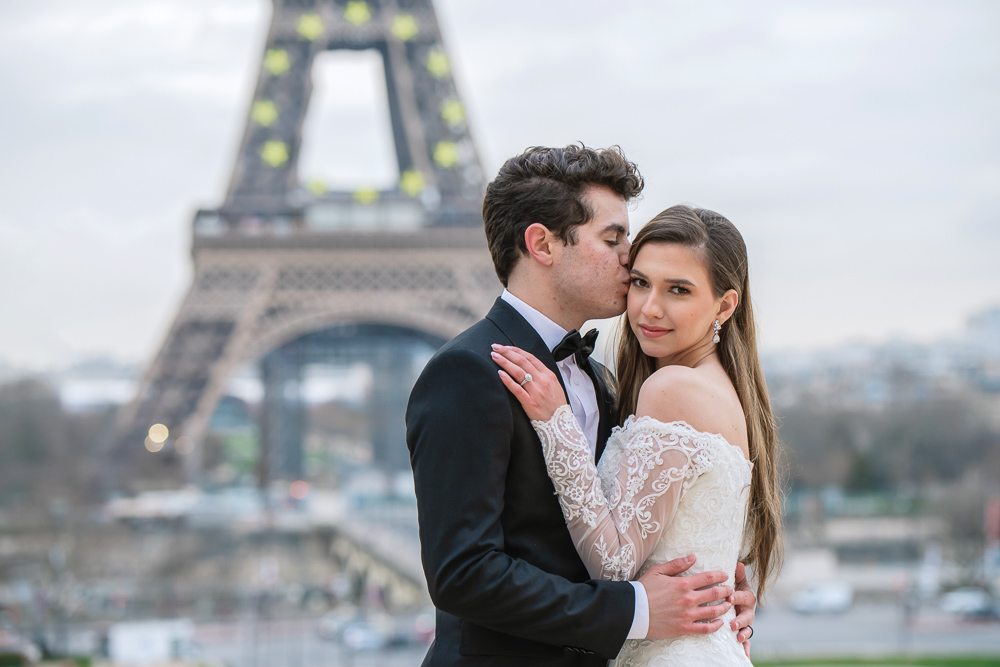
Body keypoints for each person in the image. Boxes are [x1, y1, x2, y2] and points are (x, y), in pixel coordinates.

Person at [405, 146, 756, 667]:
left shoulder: (602, 379)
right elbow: (464, 574)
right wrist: (637, 609)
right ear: (542, 244)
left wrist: (715, 585)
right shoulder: (467, 372)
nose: (629, 256)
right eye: (612, 238)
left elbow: (632, 519)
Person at [491, 205, 783, 665]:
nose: (649, 308)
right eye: (641, 283)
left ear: (725, 305)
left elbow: (614, 565)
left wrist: (556, 422)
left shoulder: (672, 389)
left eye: (678, 291)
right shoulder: (725, 389)